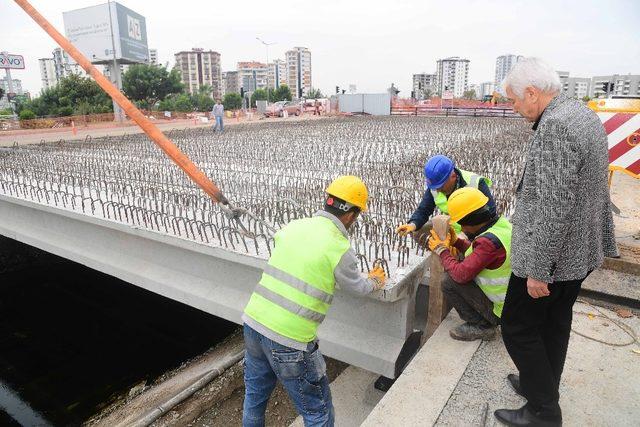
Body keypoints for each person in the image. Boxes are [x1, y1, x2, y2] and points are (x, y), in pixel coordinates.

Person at [494, 58, 618, 426]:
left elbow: (553, 205)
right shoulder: (580, 113)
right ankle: (542, 385)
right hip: (578, 251)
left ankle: (544, 410)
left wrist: (537, 270)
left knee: (516, 327)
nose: (514, 108)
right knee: (554, 323)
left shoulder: (557, 127)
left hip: (553, 257)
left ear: (532, 93)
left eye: (515, 101)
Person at [241, 175, 387, 427]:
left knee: (254, 401)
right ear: (351, 214)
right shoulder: (339, 247)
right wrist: (375, 280)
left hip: (253, 325)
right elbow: (357, 287)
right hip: (290, 341)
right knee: (317, 412)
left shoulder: (293, 226)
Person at [427, 187, 512, 341]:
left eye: (462, 224)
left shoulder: (488, 243)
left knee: (449, 281)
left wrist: (442, 250)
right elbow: (481, 256)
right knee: (458, 266)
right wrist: (456, 242)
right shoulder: (501, 226)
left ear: (472, 221)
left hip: (502, 311)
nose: (462, 228)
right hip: (513, 302)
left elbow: (460, 275)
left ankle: (483, 326)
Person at [396, 155, 496, 242]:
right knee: (418, 231)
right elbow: (424, 210)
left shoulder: (474, 182)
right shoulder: (435, 187)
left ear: (453, 176)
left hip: (473, 229)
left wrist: (466, 235)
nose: (438, 190)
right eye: (435, 187)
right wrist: (412, 224)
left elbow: (490, 214)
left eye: (441, 186)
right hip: (451, 227)